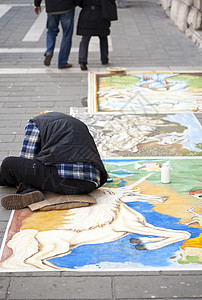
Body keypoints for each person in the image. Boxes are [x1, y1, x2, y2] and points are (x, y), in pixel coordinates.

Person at [0, 112, 108, 210]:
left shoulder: (35, 123)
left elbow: (27, 157)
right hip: (90, 183)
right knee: (36, 170)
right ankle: (29, 191)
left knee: (10, 164)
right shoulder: (76, 123)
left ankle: (21, 187)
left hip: (62, 179)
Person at [75, 0, 118, 71]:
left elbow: (78, 2)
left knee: (85, 38)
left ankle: (82, 61)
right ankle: (104, 59)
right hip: (101, 13)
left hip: (87, 12)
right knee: (103, 36)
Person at [34, 0, 75, 69]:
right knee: (67, 35)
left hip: (51, 8)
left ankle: (49, 51)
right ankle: (62, 62)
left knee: (51, 31)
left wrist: (37, 4)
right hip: (67, 7)